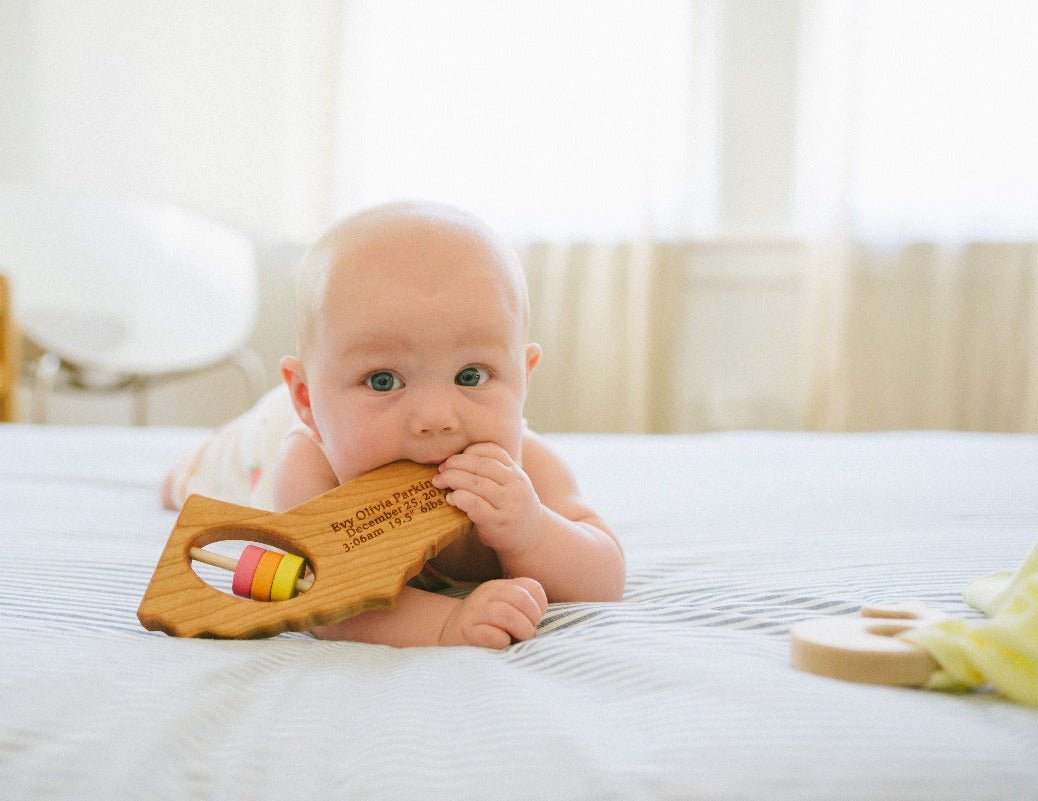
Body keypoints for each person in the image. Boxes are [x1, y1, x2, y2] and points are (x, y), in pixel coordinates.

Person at [163, 201, 624, 648]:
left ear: (523, 379)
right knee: (200, 475)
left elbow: (606, 573)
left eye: (471, 376)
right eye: (383, 381)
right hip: (262, 443)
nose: (436, 419)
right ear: (307, 398)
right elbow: (326, 600)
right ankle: (184, 468)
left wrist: (534, 531)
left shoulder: (529, 470)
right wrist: (448, 623)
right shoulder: (310, 474)